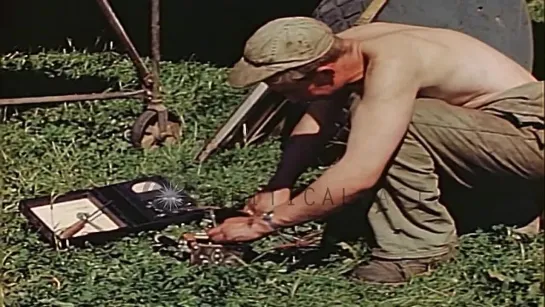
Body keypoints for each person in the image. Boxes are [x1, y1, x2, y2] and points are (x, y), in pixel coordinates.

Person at [206, 16, 544, 285]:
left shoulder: (393, 65)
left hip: (530, 133)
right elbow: (316, 123)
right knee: (381, 121)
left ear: (323, 75)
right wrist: (279, 185)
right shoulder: (350, 46)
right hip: (496, 131)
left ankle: (418, 248)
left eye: (292, 92)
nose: (291, 101)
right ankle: (505, 205)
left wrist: (264, 224)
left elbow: (360, 172)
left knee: (399, 125)